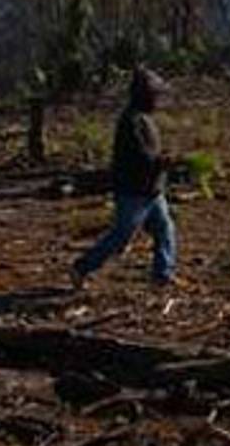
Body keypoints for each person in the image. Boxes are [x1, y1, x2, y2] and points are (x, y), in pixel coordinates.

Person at [70, 66, 178, 290]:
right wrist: (161, 162)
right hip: (134, 192)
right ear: (144, 95)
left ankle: (163, 275)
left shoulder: (143, 119)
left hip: (151, 190)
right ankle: (81, 267)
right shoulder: (130, 121)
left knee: (164, 230)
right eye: (155, 95)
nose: (157, 100)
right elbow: (139, 157)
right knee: (120, 237)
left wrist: (161, 163)